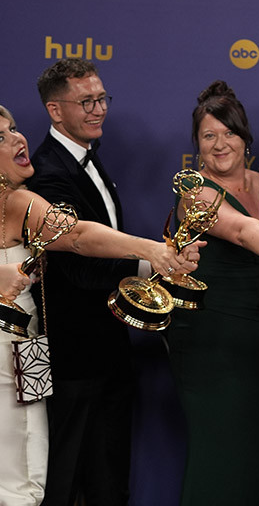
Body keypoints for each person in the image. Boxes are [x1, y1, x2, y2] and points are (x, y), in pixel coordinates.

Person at [0, 103, 194, 506]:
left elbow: (78, 235)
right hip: (6, 360)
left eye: (14, 128)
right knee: (17, 476)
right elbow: (78, 239)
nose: (19, 138)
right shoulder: (16, 202)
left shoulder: (18, 201)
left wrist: (153, 253)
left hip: (27, 349)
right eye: (1, 137)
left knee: (31, 472)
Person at [165, 81, 259, 506]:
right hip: (209, 342)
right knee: (218, 457)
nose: (220, 144)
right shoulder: (193, 191)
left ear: (245, 137)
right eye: (208, 136)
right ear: (196, 145)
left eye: (228, 132)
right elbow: (242, 231)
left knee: (253, 457)